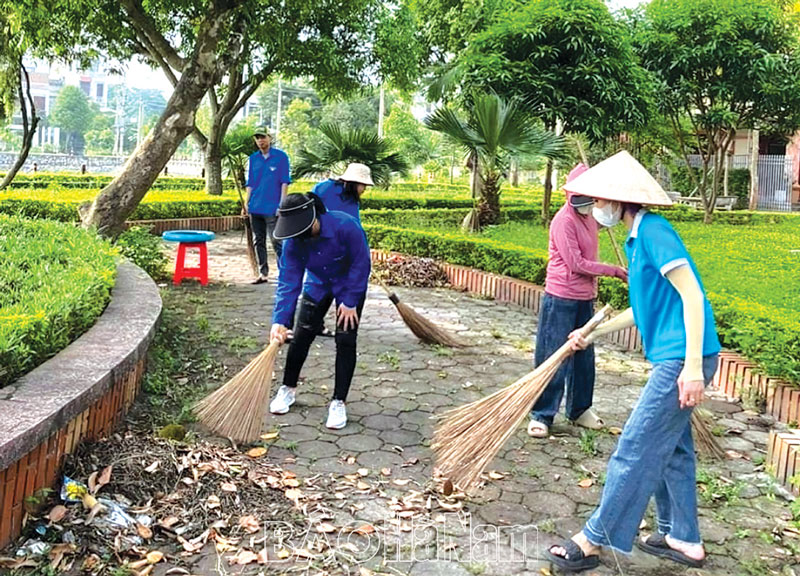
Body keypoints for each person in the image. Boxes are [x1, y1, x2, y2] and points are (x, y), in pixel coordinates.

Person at [544, 151, 721, 572]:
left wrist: (693, 367)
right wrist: (590, 333)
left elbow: (693, 296)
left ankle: (593, 539)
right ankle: (684, 538)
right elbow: (640, 309)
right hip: (677, 356)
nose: (595, 207)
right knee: (674, 450)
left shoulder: (656, 233)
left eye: (599, 199)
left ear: (618, 201)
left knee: (636, 446)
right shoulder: (637, 238)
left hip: (682, 359)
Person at [527, 163, 628, 439]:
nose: (590, 202)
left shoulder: (589, 217)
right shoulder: (563, 221)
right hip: (561, 297)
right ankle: (542, 414)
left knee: (584, 355)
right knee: (554, 355)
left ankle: (579, 409)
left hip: (585, 298)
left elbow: (610, 216)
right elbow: (577, 264)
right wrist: (616, 271)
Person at [268, 193, 371, 429]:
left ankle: (338, 402)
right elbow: (289, 281)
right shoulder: (294, 241)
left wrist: (350, 301)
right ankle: (288, 388)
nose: (297, 235)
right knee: (301, 335)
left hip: (349, 285)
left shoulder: (346, 226)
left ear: (313, 217)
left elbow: (361, 263)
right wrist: (280, 320)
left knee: (346, 340)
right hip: (318, 283)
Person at [309, 163, 375, 336]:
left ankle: (318, 324)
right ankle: (310, 325)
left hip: (343, 256)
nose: (364, 189)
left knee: (333, 290)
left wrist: (360, 257)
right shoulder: (323, 189)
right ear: (352, 182)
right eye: (363, 185)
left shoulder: (351, 198)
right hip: (323, 251)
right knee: (318, 294)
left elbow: (355, 227)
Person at [244, 125, 291, 284]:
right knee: (259, 241)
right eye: (257, 138)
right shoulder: (253, 158)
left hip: (272, 207)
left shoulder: (281, 157)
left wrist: (282, 204)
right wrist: (246, 203)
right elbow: (250, 183)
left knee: (276, 240)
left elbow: (285, 182)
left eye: (263, 137)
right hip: (255, 206)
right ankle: (263, 273)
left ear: (270, 138)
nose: (260, 141)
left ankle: (284, 272)